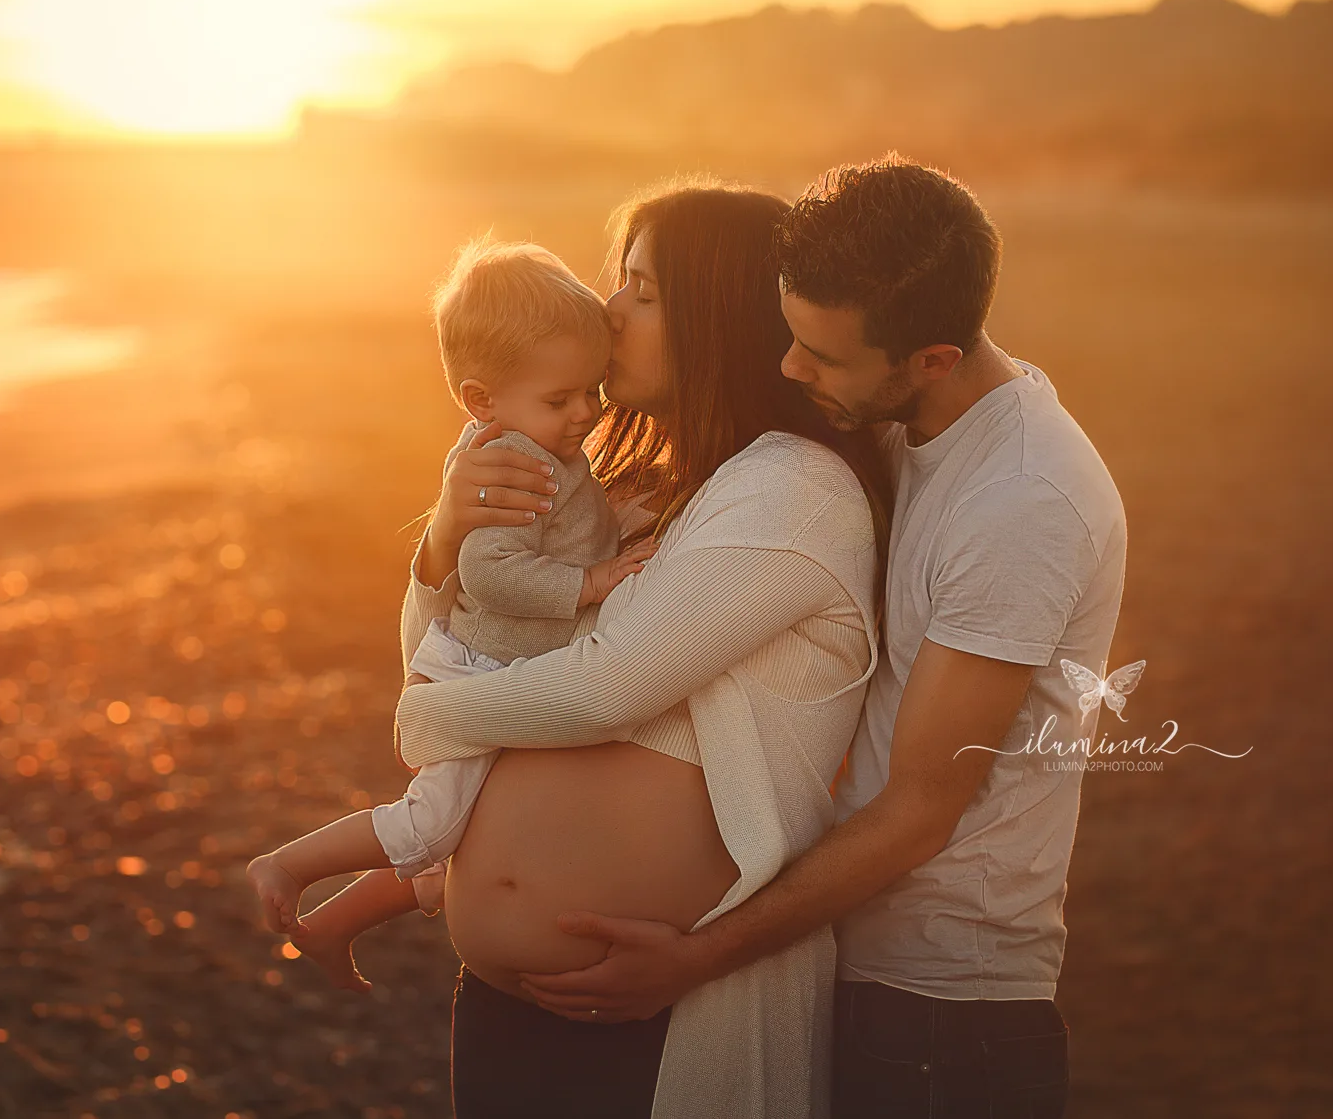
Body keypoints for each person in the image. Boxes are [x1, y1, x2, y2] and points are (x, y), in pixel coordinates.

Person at [504, 157, 1127, 1119]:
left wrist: (697, 957)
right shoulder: (891, 426)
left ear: (933, 359)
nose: (791, 368)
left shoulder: (1020, 500)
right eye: (789, 335)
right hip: (845, 964)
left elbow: (922, 806)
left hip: (939, 1012)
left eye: (822, 357)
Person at [393, 182, 892, 1118]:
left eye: (642, 289)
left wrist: (421, 718)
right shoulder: (626, 486)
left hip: (653, 1014)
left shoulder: (791, 488)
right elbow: (462, 648)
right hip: (512, 1009)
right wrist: (442, 540)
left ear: (720, 316)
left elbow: (603, 688)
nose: (607, 309)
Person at [246, 240, 653, 991]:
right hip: (480, 667)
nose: (586, 414)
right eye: (561, 400)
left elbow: (570, 523)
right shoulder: (513, 463)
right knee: (431, 822)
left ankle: (336, 922)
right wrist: (592, 581)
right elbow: (492, 573)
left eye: (590, 392)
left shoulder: (537, 443)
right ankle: (288, 863)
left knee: (457, 830)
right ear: (481, 402)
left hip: (498, 661)